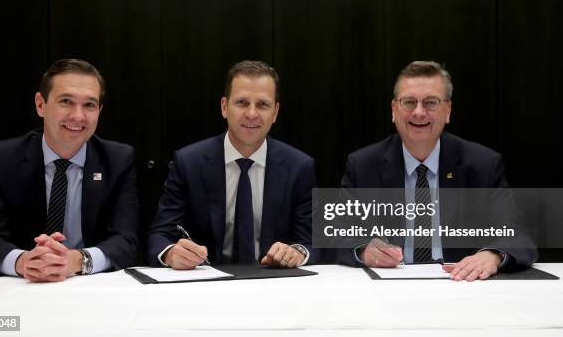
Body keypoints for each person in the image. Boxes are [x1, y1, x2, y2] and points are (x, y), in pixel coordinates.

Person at [338, 60, 537, 281]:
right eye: (409, 102)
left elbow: (518, 236)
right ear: (394, 110)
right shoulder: (364, 165)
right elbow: (337, 235)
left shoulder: (482, 165)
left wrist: (493, 255)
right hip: (389, 288)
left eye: (431, 102)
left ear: (448, 110)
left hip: (462, 285)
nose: (419, 112)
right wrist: (365, 251)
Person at [0, 59, 139, 282]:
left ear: (99, 110)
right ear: (41, 105)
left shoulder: (117, 160)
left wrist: (77, 260)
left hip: (89, 286)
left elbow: (126, 241)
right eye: (66, 101)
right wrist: (25, 262)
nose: (78, 116)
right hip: (24, 287)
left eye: (89, 105)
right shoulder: (3, 159)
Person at [146, 60, 315, 269]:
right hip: (205, 283)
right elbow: (159, 235)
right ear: (224, 107)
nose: (252, 113)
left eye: (262, 104)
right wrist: (171, 252)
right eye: (242, 102)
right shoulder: (189, 162)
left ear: (275, 113)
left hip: (273, 284)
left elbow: (311, 240)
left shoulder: (299, 166)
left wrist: (297, 252)